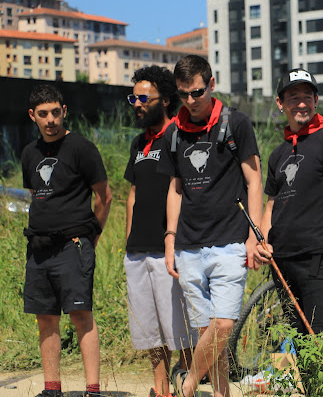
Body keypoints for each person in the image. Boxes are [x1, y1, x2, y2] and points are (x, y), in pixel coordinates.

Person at [158, 55, 263, 397]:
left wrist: (255, 235)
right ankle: (221, 393)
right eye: (183, 94)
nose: (191, 100)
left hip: (230, 241)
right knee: (206, 331)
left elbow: (254, 180)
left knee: (223, 325)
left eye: (197, 92)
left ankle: (188, 385)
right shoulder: (173, 132)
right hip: (188, 244)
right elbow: (175, 188)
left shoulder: (237, 123)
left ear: (212, 84)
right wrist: (170, 238)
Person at [254, 68, 323, 359]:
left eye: (307, 97)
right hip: (282, 262)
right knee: (301, 348)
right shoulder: (278, 153)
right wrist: (263, 241)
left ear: (316, 101)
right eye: (293, 97)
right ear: (279, 103)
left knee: (321, 346)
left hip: (318, 261)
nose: (301, 103)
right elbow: (272, 206)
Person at [21, 84, 112, 397]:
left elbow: (105, 197)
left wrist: (91, 237)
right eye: (43, 114)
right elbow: (37, 197)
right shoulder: (29, 153)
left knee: (80, 316)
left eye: (55, 112)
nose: (50, 120)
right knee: (45, 318)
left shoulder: (81, 148)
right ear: (33, 115)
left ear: (64, 112)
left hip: (73, 245)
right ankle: (51, 389)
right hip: (38, 250)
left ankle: (93, 390)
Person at [123, 65, 198, 397]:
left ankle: (187, 383)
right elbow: (133, 193)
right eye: (134, 98)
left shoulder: (179, 136)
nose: (137, 104)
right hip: (138, 250)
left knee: (178, 326)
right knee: (149, 329)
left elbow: (185, 190)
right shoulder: (139, 143)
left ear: (165, 99)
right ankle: (161, 387)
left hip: (171, 249)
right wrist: (127, 240)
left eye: (144, 97)